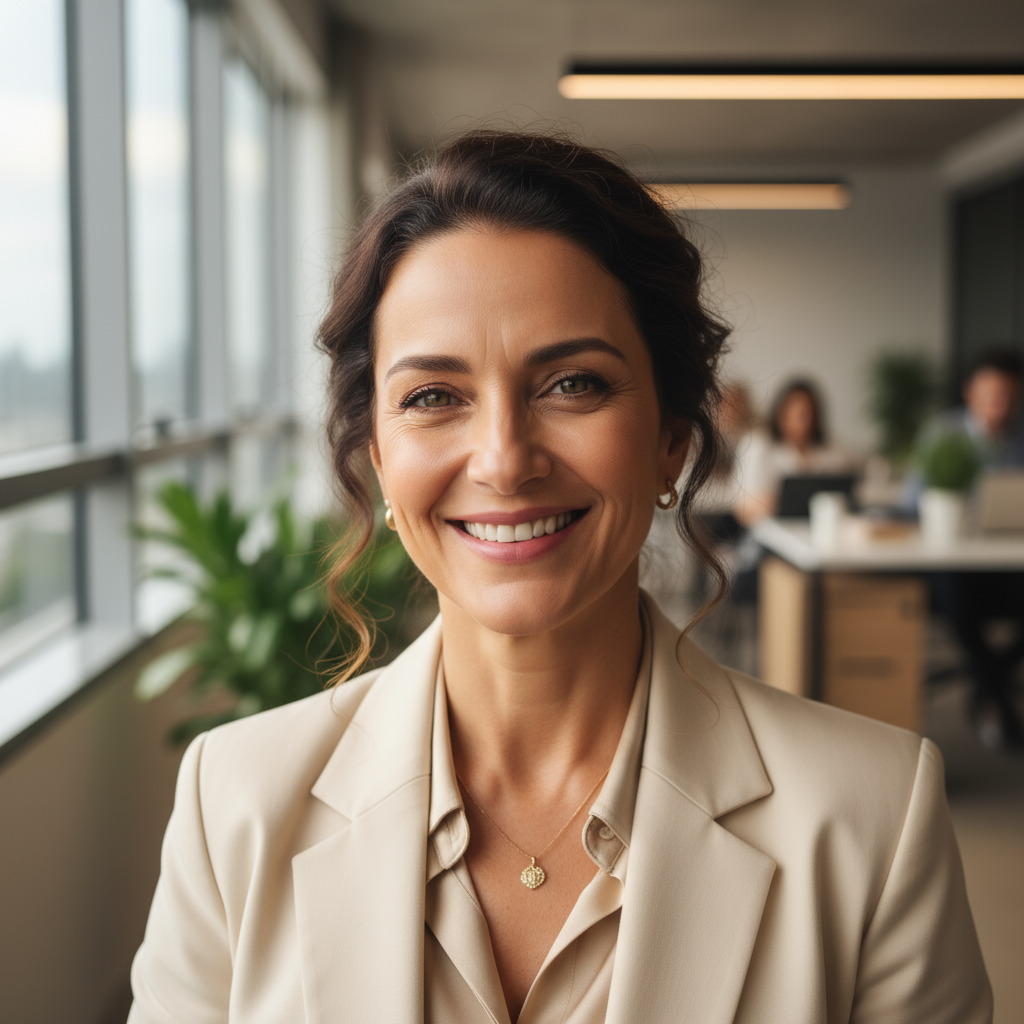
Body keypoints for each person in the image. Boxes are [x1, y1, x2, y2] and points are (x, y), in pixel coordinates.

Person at [127, 131, 991, 1023]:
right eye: (433, 396)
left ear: (670, 439)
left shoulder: (872, 817)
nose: (504, 460)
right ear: (378, 458)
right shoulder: (232, 804)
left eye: (573, 383)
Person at [924, 349, 1024, 749]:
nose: (999, 407)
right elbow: (916, 500)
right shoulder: (943, 434)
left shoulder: (1019, 438)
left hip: (1007, 561)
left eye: (1008, 397)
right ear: (970, 393)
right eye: (991, 396)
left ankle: (988, 682)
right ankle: (995, 693)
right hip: (955, 565)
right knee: (954, 592)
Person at [734, 378, 854, 525]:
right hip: (770, 533)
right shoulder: (759, 447)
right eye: (800, 414)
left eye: (810, 414)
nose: (806, 422)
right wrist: (779, 502)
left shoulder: (831, 451)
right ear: (781, 415)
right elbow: (744, 511)